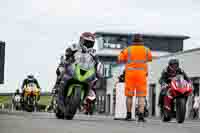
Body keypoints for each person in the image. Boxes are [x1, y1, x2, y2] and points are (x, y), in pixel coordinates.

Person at [57, 32, 103, 107]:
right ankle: (57, 86)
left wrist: (98, 70)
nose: (88, 44)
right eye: (86, 42)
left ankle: (90, 96)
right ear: (81, 40)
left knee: (95, 80)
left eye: (90, 43)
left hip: (85, 70)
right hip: (72, 67)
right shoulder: (74, 47)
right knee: (61, 70)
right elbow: (67, 53)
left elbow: (97, 62)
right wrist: (68, 59)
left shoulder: (93, 52)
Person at [118, 34, 152, 122]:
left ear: (133, 41)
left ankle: (129, 115)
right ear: (142, 41)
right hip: (141, 75)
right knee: (141, 96)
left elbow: (120, 58)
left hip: (130, 75)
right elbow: (150, 58)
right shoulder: (146, 49)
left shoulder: (128, 49)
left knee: (129, 96)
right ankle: (141, 116)